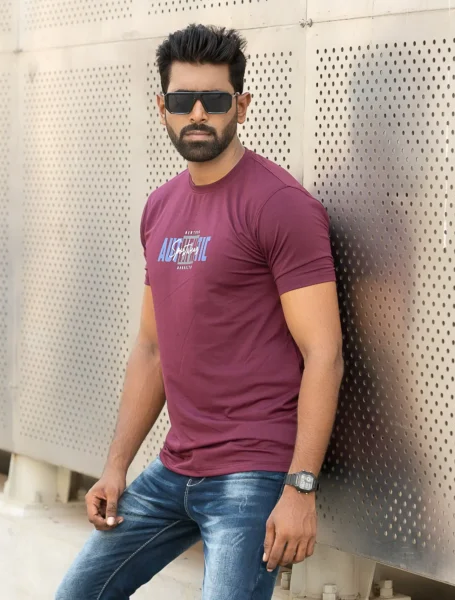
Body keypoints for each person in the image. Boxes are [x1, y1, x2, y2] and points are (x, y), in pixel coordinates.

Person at [56, 24, 344, 600]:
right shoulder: (160, 207)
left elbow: (324, 353)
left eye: (213, 100)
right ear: (160, 107)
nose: (197, 114)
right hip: (175, 467)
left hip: (253, 472)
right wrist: (116, 466)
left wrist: (300, 488)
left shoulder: (280, 205)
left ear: (241, 105)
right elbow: (152, 349)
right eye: (182, 99)